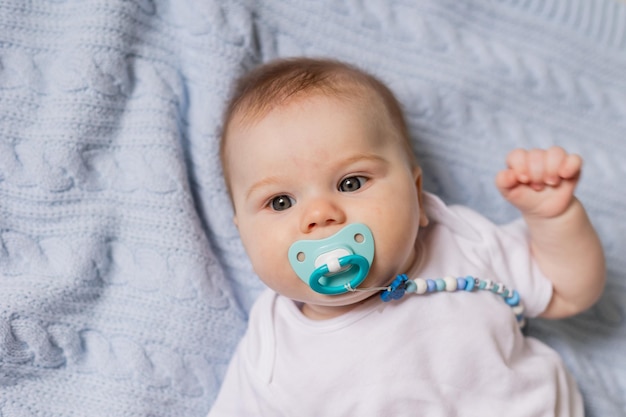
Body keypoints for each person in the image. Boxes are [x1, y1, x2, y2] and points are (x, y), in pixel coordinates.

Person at [209, 57, 605, 416]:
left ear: (417, 195)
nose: (320, 215)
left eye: (350, 182)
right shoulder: (273, 347)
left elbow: (570, 291)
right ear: (242, 233)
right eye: (280, 202)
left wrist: (555, 218)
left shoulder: (463, 241)